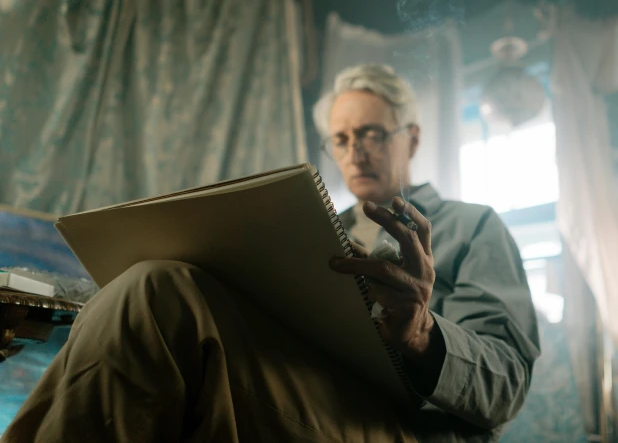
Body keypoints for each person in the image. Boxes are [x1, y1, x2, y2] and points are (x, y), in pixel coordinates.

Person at [2, 64, 539, 443]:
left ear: (413, 139)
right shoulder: (315, 231)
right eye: (342, 138)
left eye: (372, 133)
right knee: (149, 290)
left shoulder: (473, 227)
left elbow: (508, 382)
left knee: (154, 294)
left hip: (406, 431)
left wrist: (423, 334)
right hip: (304, 395)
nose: (357, 150)